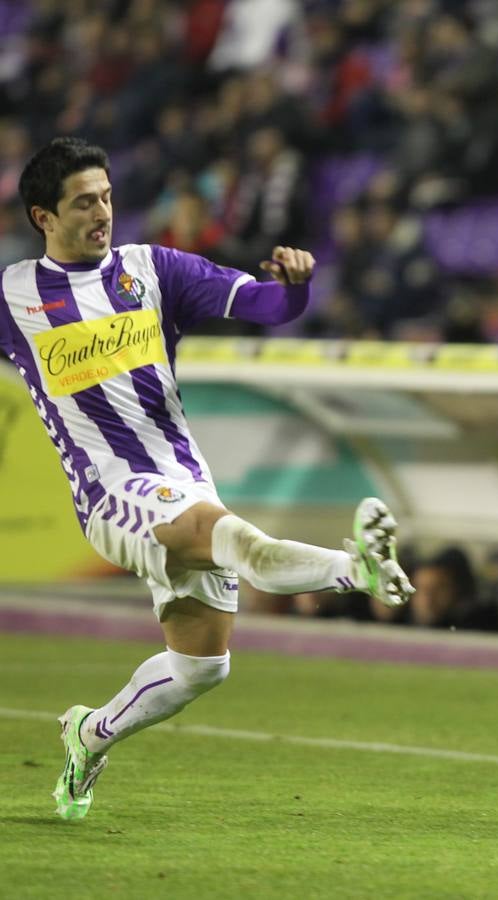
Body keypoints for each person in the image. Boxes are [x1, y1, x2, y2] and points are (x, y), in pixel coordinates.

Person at [0, 137, 415, 821]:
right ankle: (358, 570)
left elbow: (267, 308)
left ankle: (89, 733)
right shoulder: (15, 294)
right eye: (83, 202)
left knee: (201, 667)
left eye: (106, 195)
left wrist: (295, 284)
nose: (103, 212)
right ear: (43, 216)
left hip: (182, 478)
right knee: (234, 541)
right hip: (110, 494)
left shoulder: (152, 269)